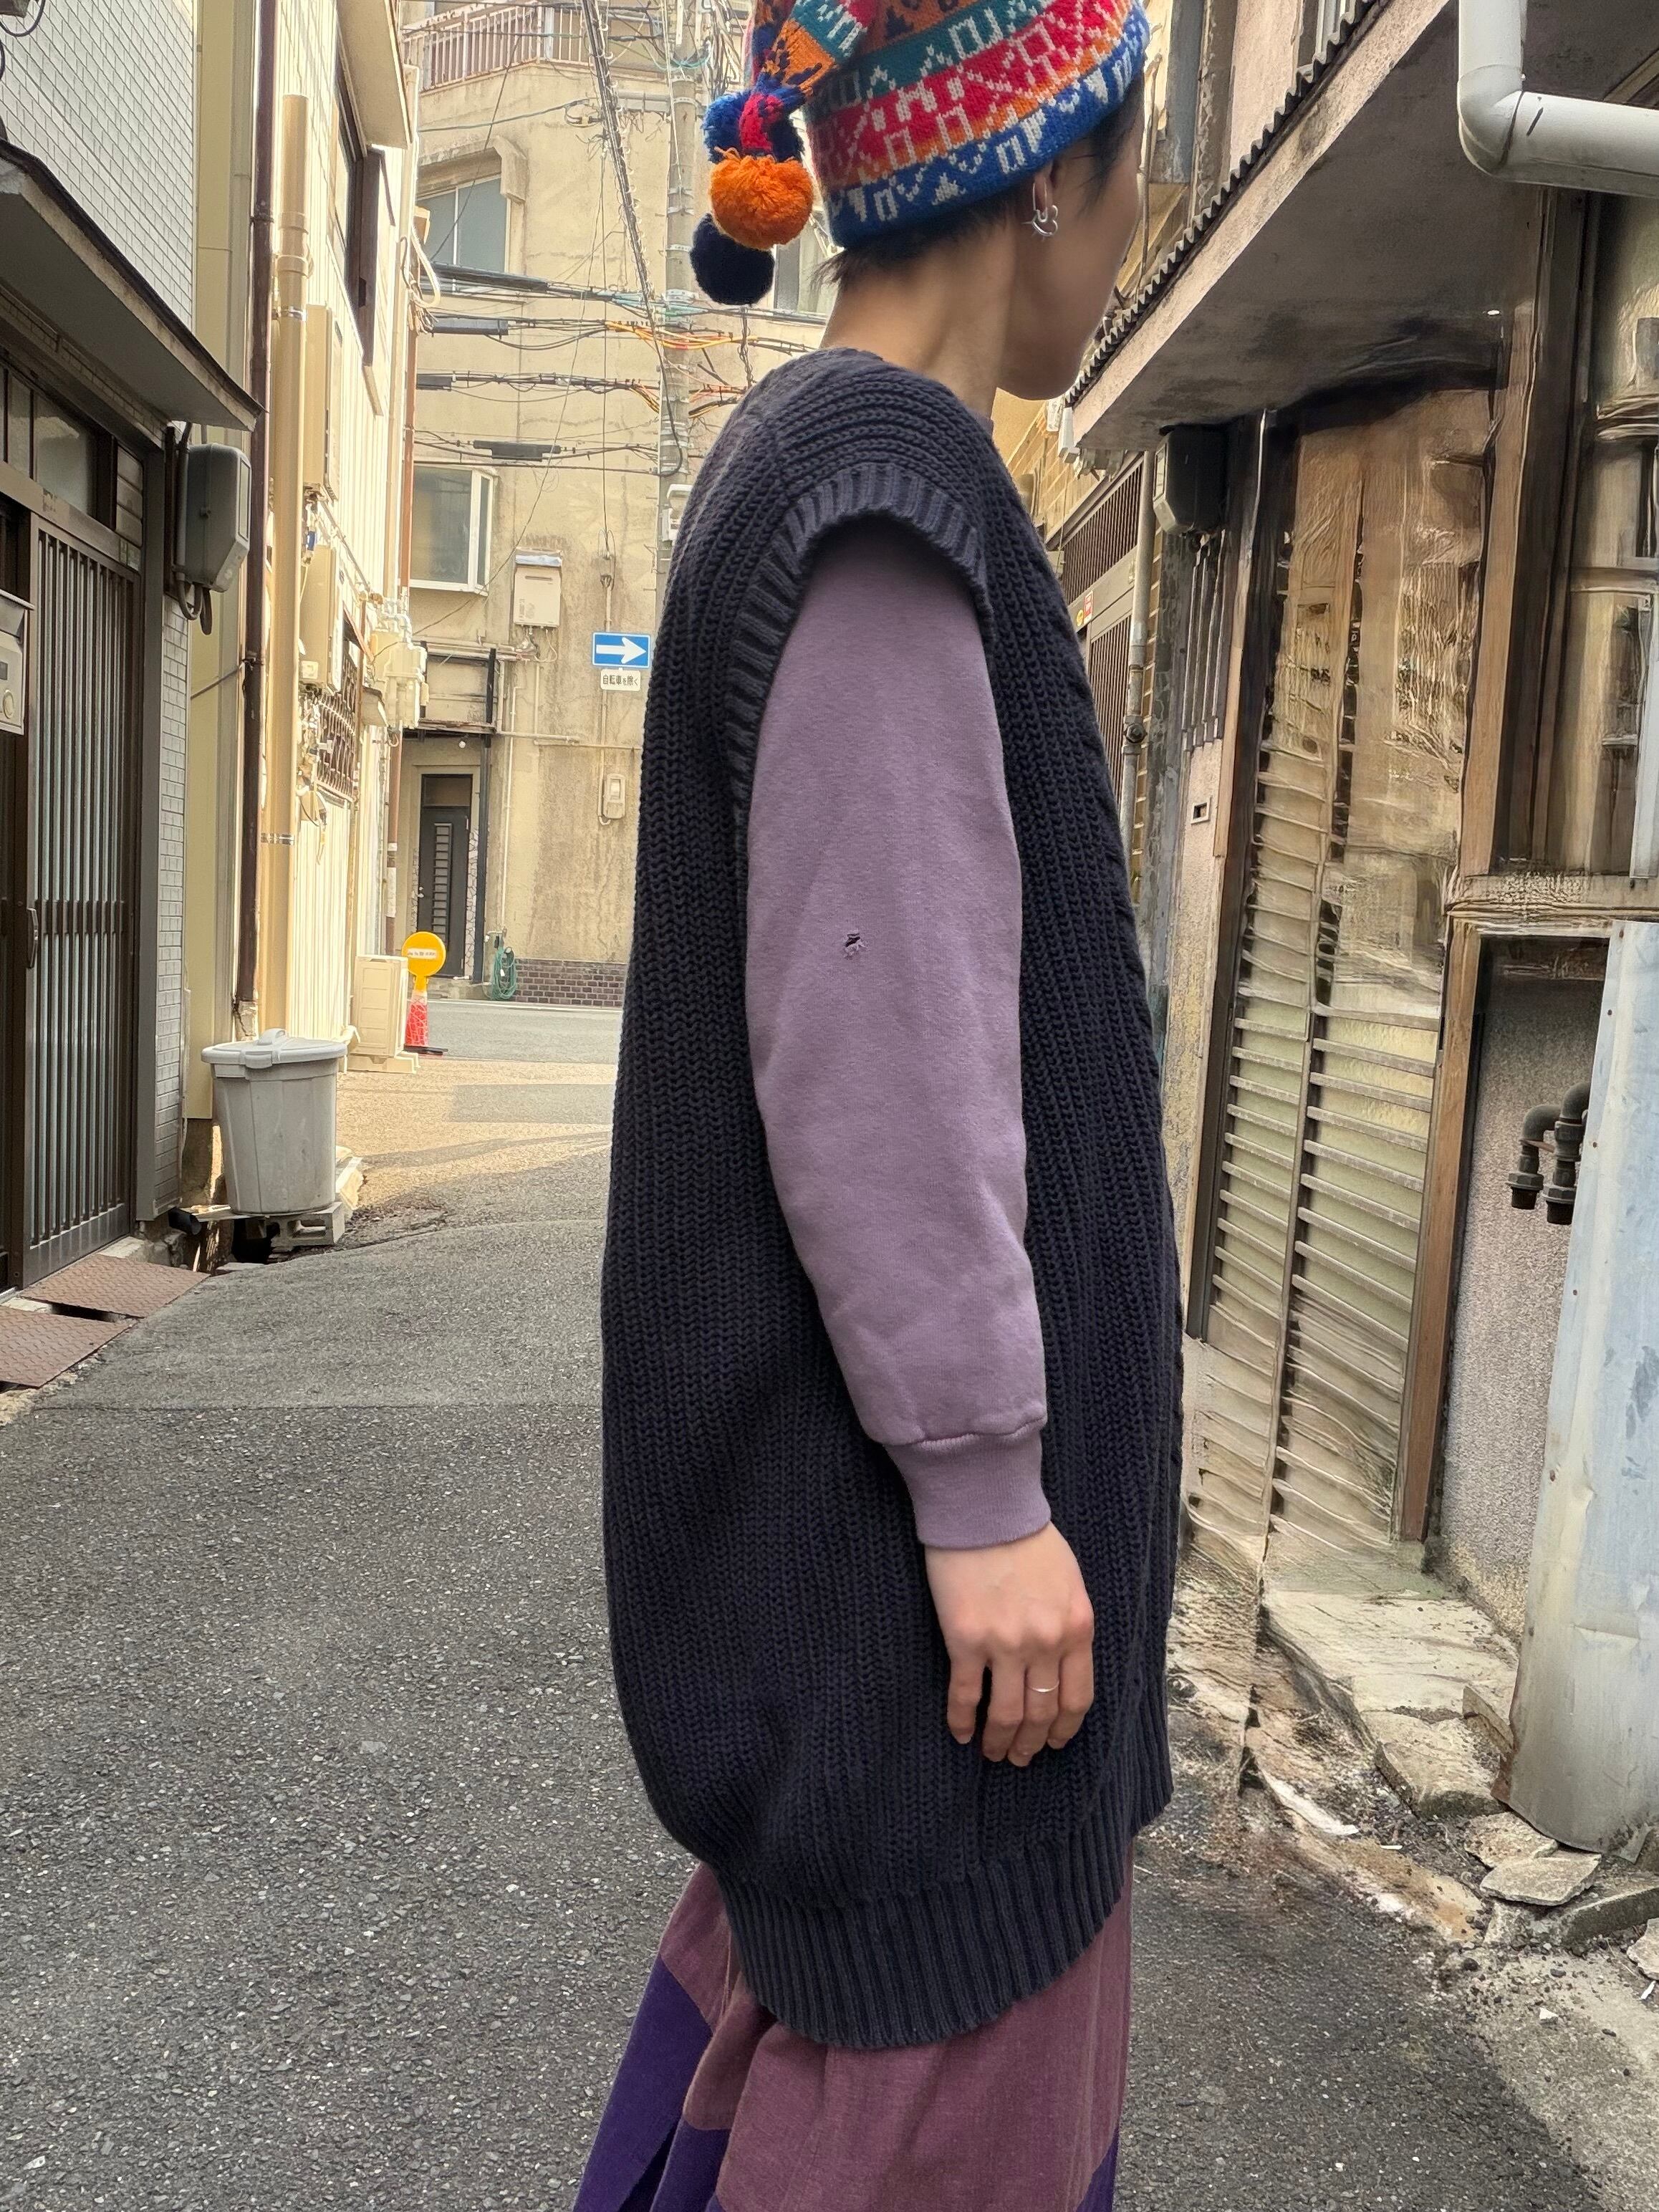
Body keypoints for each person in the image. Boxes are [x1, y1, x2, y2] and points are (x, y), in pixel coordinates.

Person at [582, 1, 1182, 2204]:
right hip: (920, 1654)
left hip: (862, 1634)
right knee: (931, 2085)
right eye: (1131, 171)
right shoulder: (880, 501)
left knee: (816, 2056)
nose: (1136, 224)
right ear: (1044, 175)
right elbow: (880, 1050)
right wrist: (986, 1495)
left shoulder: (830, 474)